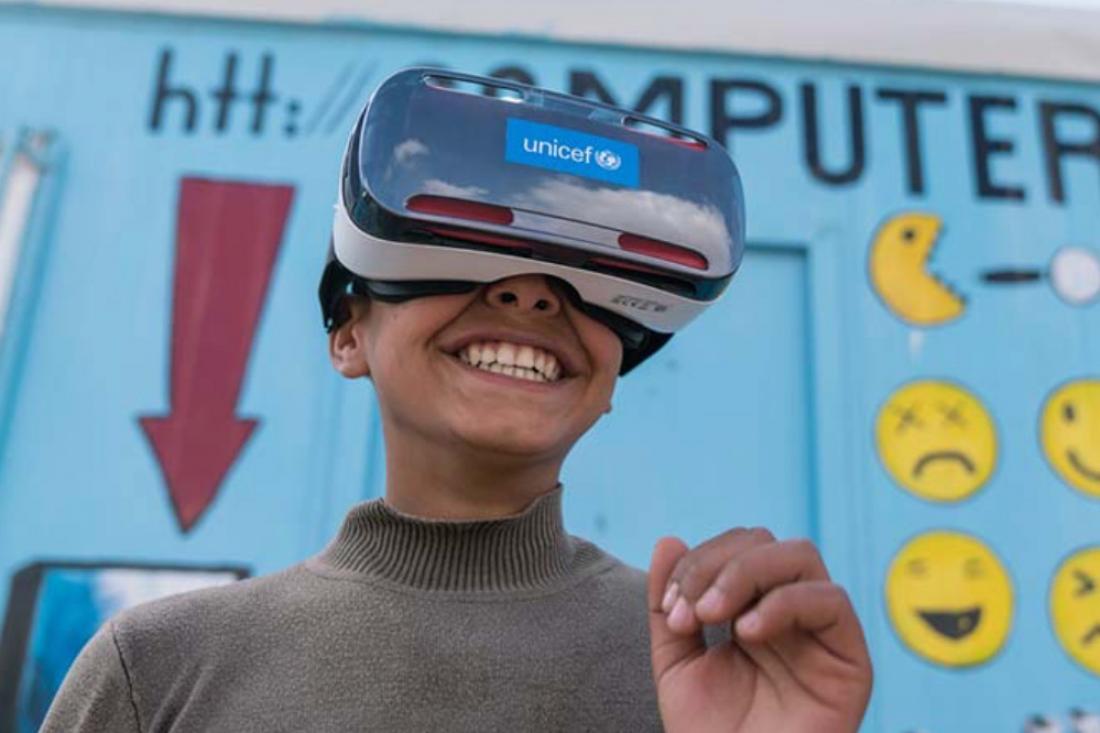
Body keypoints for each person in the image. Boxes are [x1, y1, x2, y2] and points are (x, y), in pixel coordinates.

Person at [43, 68, 872, 732]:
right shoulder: (157, 672)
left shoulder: (724, 665)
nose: (530, 297)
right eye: (460, 251)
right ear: (347, 336)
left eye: (582, 288)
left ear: (616, 372)